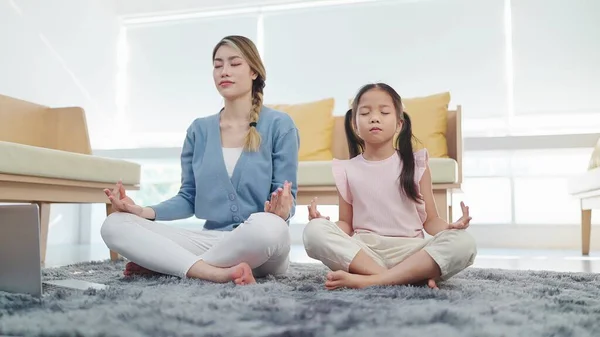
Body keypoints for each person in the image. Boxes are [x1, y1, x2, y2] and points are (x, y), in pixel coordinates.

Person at [100, 35, 299, 286]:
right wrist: (142, 211)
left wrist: (281, 212)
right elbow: (188, 198)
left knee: (269, 227)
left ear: (254, 73)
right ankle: (214, 272)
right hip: (212, 240)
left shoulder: (280, 125)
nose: (224, 71)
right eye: (218, 65)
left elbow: (288, 198)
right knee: (114, 224)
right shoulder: (199, 130)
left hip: (261, 245)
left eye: (234, 63)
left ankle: (169, 264)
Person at [302, 83, 477, 290]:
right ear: (355, 125)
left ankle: (371, 280)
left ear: (399, 124)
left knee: (464, 243)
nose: (375, 118)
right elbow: (346, 224)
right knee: (313, 231)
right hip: (365, 253)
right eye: (365, 113)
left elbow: (431, 221)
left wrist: (450, 227)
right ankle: (407, 277)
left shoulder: (416, 164)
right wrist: (327, 225)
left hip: (411, 251)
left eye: (384, 112)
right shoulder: (347, 169)